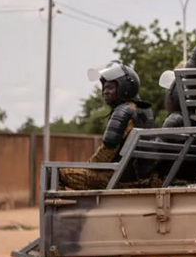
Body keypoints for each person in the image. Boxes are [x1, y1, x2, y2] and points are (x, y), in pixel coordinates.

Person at [59, 61, 160, 190]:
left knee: (56, 173)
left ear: (124, 88)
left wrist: (87, 167)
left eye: (110, 88)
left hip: (119, 179)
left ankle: (64, 210)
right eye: (104, 88)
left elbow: (105, 155)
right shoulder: (145, 111)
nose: (105, 92)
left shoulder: (123, 111)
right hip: (142, 178)